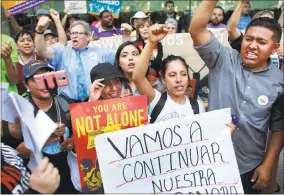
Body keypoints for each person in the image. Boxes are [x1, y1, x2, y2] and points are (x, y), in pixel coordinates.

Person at [189, 0, 284, 194]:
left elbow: (278, 128)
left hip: (249, 165)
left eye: (262, 42)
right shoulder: (222, 59)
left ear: (274, 48)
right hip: (210, 160)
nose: (252, 46)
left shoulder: (279, 81)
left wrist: (267, 165)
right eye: (249, 39)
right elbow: (197, 29)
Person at [22, 60, 78, 193]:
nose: (44, 84)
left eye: (47, 78)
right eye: (37, 80)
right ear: (26, 84)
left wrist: (71, 142)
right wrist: (48, 136)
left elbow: (79, 134)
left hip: (68, 177)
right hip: (38, 182)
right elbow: (18, 152)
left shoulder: (65, 103)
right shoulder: (20, 111)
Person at [132, 24, 206, 123]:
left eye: (183, 74)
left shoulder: (198, 106)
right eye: (172, 75)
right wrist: (151, 42)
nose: (179, 79)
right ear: (163, 79)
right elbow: (138, 78)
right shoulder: (156, 100)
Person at [35, 15, 116, 102]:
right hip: (67, 102)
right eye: (72, 33)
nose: (74, 36)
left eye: (78, 33)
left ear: (88, 36)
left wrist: (126, 36)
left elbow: (121, 56)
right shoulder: (62, 51)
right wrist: (39, 31)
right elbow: (41, 51)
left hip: (94, 100)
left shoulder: (100, 53)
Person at [135, 19, 165, 92]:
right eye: (142, 27)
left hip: (155, 80)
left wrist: (153, 59)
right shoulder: (134, 45)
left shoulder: (158, 44)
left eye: (148, 26)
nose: (145, 29)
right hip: (139, 80)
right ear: (138, 30)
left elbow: (159, 66)